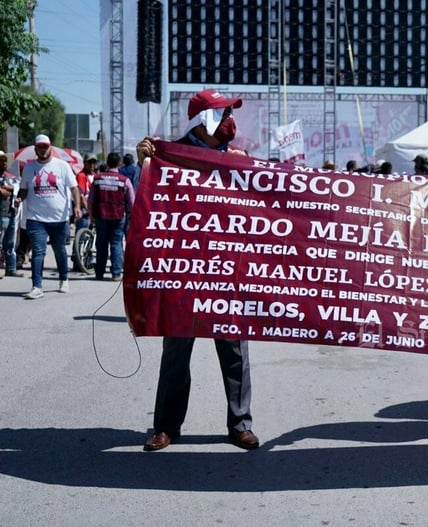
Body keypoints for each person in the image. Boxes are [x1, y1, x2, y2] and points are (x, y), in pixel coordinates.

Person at [136, 88, 259, 452]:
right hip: (184, 269)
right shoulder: (167, 155)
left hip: (227, 268)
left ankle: (240, 424)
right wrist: (145, 162)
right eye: (220, 114)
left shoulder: (238, 157)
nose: (227, 121)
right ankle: (166, 427)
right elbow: (149, 203)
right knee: (176, 349)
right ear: (202, 120)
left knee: (234, 348)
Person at [16, 134, 82, 299]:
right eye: (40, 147)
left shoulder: (62, 166)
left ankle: (63, 279)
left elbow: (74, 188)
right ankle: (37, 286)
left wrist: (78, 206)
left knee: (59, 250)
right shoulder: (29, 168)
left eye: (45, 146)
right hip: (36, 218)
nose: (43, 150)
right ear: (35, 149)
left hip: (59, 219)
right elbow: (24, 188)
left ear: (50, 147)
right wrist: (19, 198)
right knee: (38, 251)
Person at [88, 152, 135, 281]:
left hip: (101, 215)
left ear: (107, 163)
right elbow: (131, 201)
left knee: (101, 244)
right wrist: (131, 215)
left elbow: (91, 200)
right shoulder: (124, 180)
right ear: (119, 163)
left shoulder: (97, 179)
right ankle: (116, 273)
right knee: (116, 243)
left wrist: (92, 215)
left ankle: (99, 273)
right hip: (118, 215)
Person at [0, 151, 24, 278]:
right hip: (2, 214)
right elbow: (5, 192)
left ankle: (11, 268)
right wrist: (6, 189)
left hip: (10, 213)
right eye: (1, 160)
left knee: (10, 244)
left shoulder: (9, 177)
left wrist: (6, 189)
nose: (4, 163)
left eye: (5, 160)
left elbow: (12, 190)